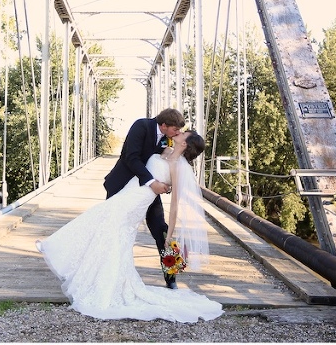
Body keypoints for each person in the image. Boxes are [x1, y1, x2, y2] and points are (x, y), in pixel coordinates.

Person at [36, 129, 223, 323]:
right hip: (128, 192)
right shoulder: (165, 150)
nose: (179, 132)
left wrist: (169, 235)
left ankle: (58, 250)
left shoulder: (177, 166)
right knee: (108, 232)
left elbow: (175, 205)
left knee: (101, 220)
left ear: (185, 144)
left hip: (136, 203)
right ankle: (101, 280)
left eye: (184, 133)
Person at [103, 108, 184, 289]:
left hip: (149, 193)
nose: (177, 133)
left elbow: (167, 161)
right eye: (175, 130)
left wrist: (167, 181)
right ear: (163, 125)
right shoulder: (141, 126)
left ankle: (171, 278)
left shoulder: (168, 138)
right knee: (113, 230)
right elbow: (130, 158)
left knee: (161, 230)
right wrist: (152, 182)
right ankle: (108, 275)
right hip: (123, 187)